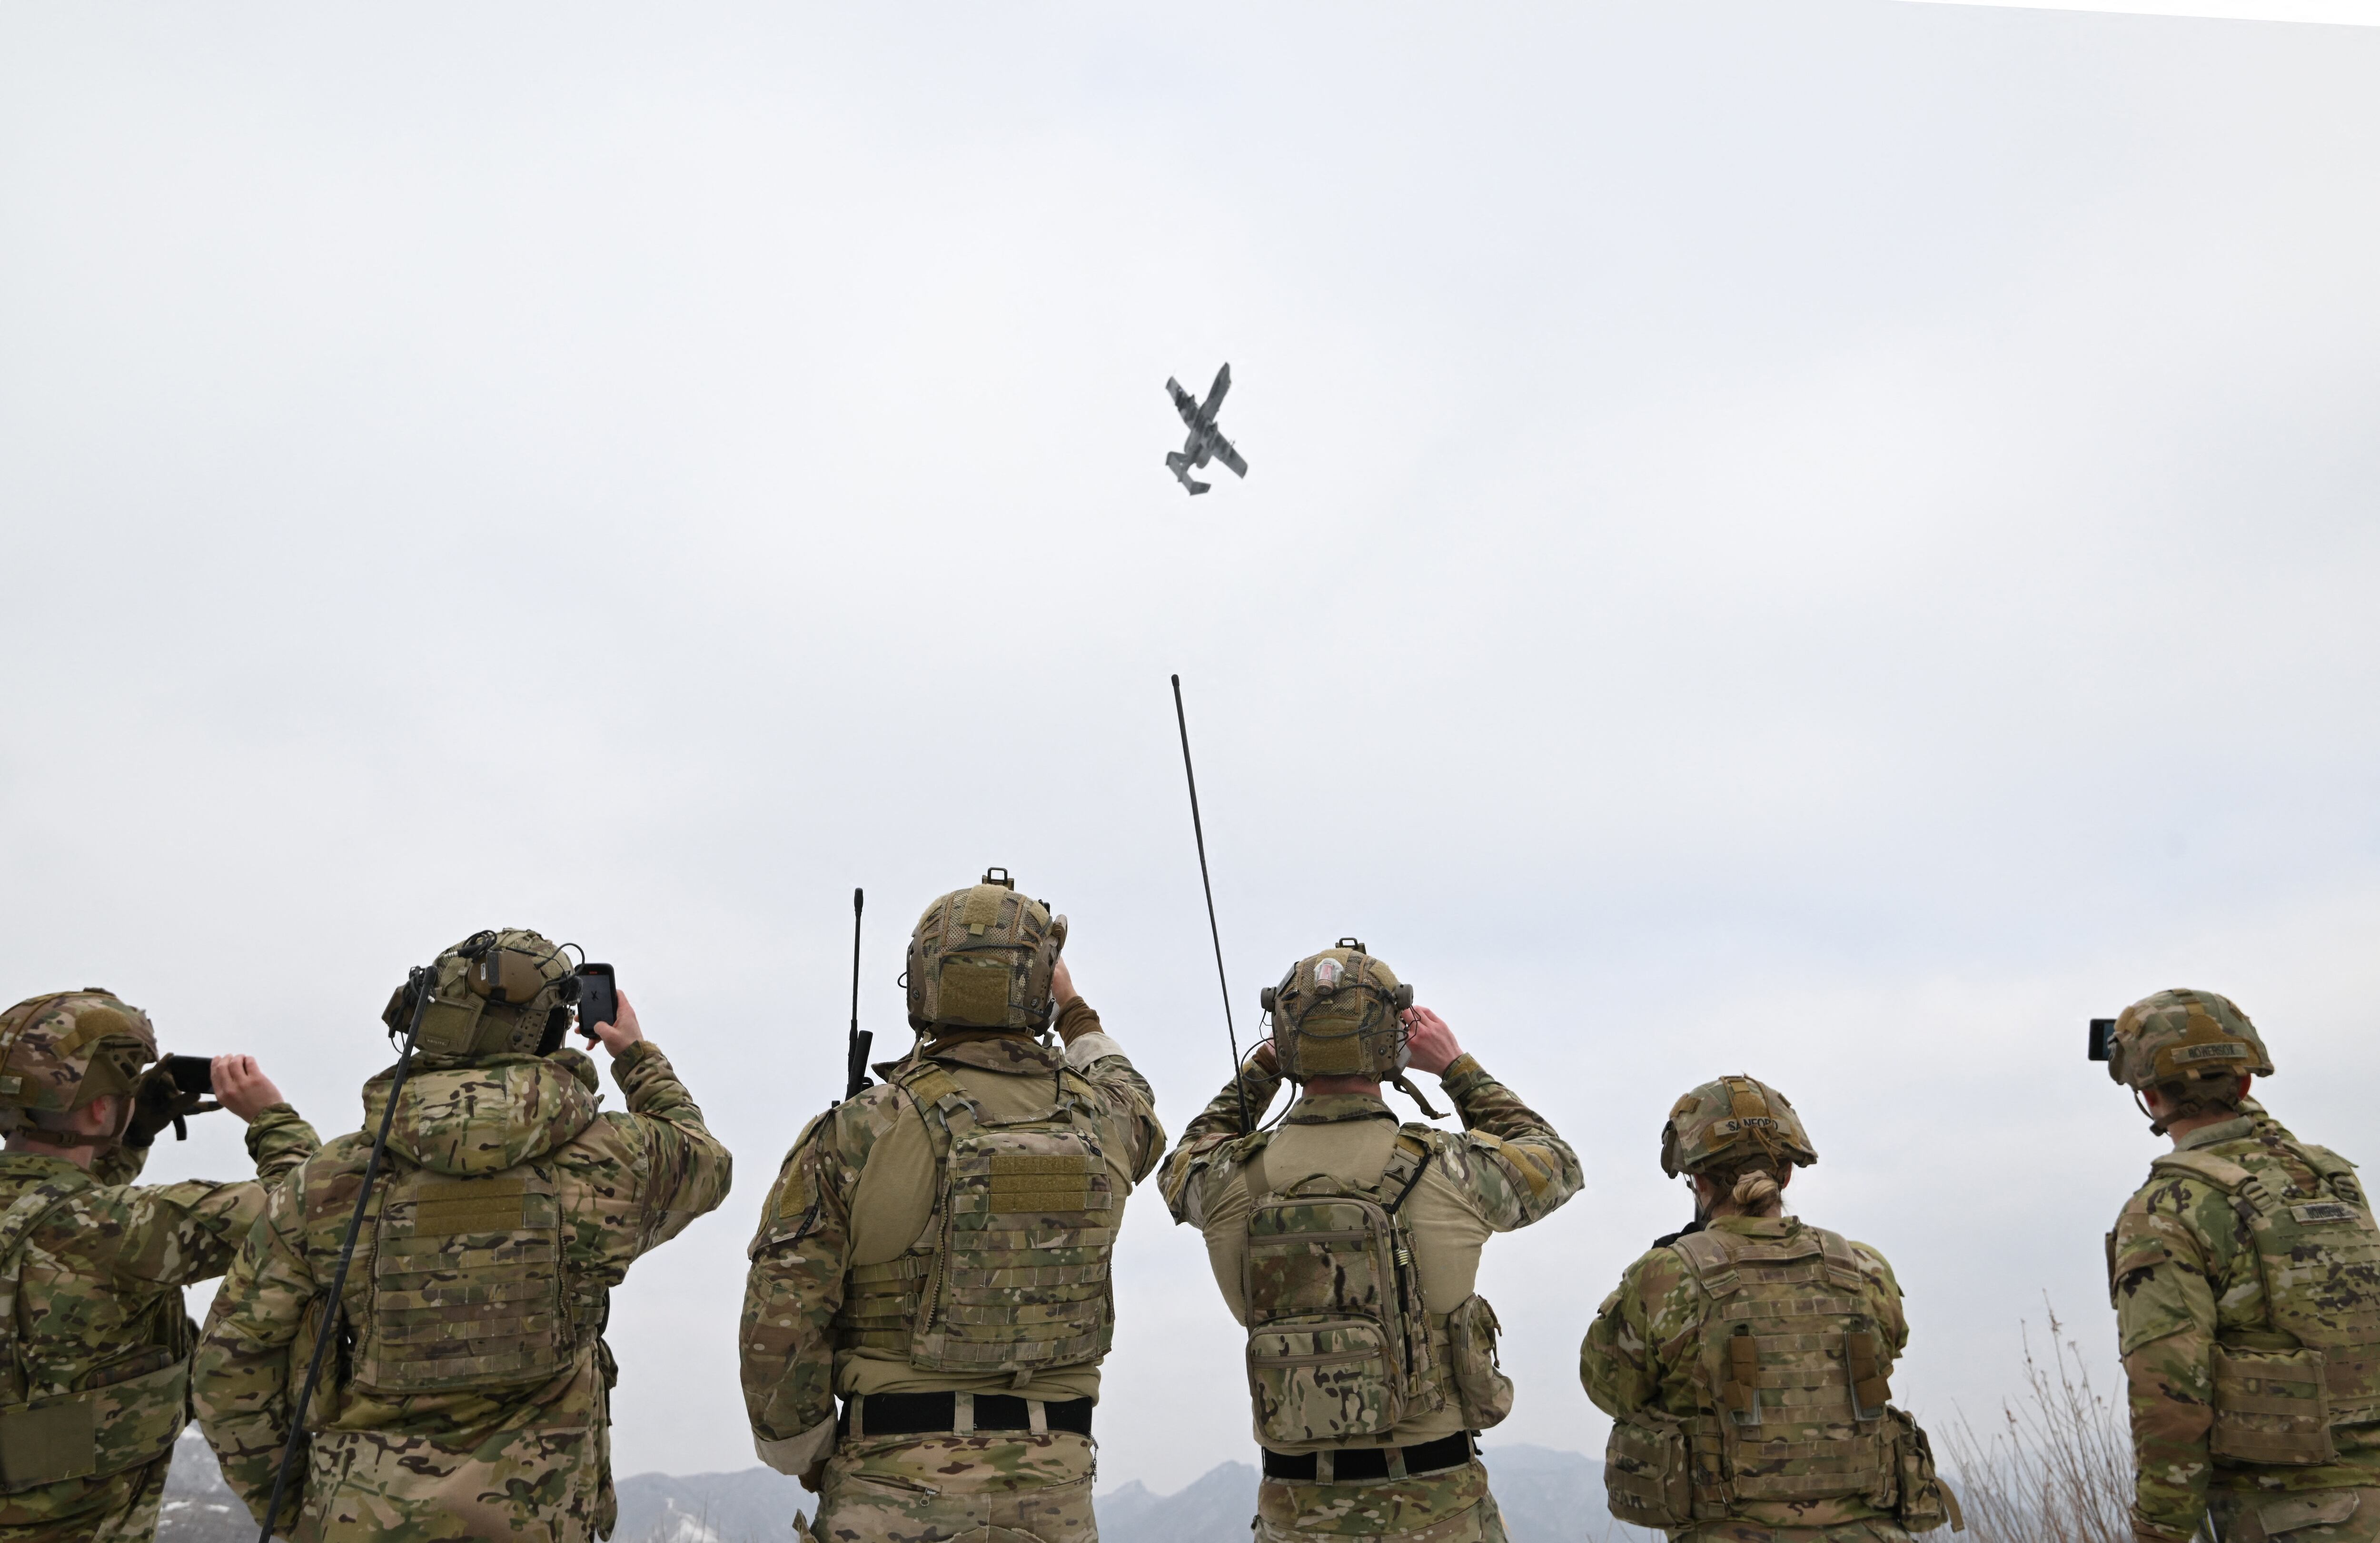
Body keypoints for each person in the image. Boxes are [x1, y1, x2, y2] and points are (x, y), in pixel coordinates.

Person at [193, 929, 731, 1543]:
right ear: (553, 1025)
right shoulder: (614, 1160)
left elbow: (228, 1368)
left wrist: (295, 1508)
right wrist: (635, 1054)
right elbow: (703, 1160)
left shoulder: (327, 1183)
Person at [741, 869, 1164, 1543]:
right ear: (1038, 985)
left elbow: (780, 1325)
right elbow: (1131, 1089)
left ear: (924, 981)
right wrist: (1074, 1008)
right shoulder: (1107, 1124)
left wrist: (808, 1453)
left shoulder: (857, 1132)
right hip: (1053, 1492)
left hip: (889, 1487)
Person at [1159, 940, 1582, 1543]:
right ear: (1392, 1039)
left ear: (1285, 1037)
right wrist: (1455, 1066)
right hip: (1437, 1507)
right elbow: (1556, 1161)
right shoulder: (1449, 1168)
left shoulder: (1228, 1177)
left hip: (1295, 1512)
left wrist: (1263, 1068)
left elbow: (1182, 1157)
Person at [1579, 1074, 1958, 1543]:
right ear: (1786, 1174)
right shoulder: (1863, 1267)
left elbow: (1608, 1388)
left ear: (1697, 1179)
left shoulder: (1664, 1276)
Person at [0, 988, 318, 1543]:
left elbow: (50, 1206)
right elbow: (312, 1206)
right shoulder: (129, 1229)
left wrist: (132, 1132)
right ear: (100, 1107)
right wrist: (271, 1117)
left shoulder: (90, 1225)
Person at [2101, 989, 2380, 1543]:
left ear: (2148, 1095)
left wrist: (2159, 1528)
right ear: (2246, 1083)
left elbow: (2170, 1394)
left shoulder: (2163, 1210)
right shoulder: (2328, 1176)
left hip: (2286, 1516)